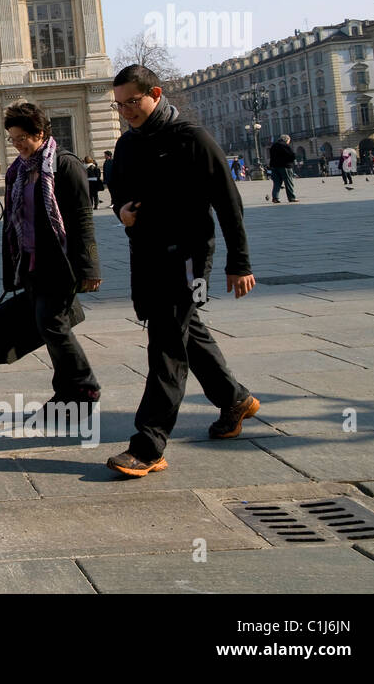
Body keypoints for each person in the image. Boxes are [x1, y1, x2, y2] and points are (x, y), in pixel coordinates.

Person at [105, 65, 258, 478]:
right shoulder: (128, 144)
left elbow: (229, 204)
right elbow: (115, 185)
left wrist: (238, 263)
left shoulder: (192, 139)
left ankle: (149, 444)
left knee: (167, 342)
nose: (126, 112)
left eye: (132, 102)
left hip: (190, 256)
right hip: (147, 253)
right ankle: (235, 399)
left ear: (154, 93)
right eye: (119, 105)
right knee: (184, 330)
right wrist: (121, 209)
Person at [2, 102, 102, 405]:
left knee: (52, 325)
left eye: (22, 138)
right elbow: (12, 221)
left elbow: (83, 217)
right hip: (30, 260)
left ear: (41, 133)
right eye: (13, 139)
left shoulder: (65, 164)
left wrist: (90, 268)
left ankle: (85, 387)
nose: (18, 145)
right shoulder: (17, 171)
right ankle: (66, 391)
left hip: (59, 261)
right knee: (50, 327)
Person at [268, 134, 298, 203]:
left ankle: (275, 198)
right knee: (288, 182)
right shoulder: (284, 145)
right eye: (289, 141)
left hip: (274, 167)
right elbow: (292, 155)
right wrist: (291, 161)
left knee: (277, 183)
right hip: (285, 166)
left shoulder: (273, 146)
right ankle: (291, 198)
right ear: (286, 140)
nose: (289, 143)